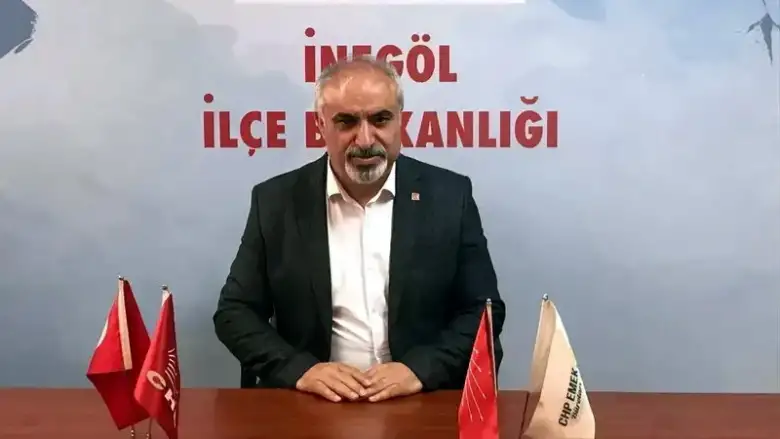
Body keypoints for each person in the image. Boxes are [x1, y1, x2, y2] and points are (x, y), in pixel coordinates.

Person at [213, 55, 506, 403]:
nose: (365, 139)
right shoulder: (276, 201)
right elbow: (235, 313)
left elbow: (483, 310)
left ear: (400, 120)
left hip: (419, 398)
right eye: (347, 121)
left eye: (380, 119)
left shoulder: (449, 197)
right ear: (320, 125)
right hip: (315, 403)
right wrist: (301, 370)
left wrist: (419, 370)